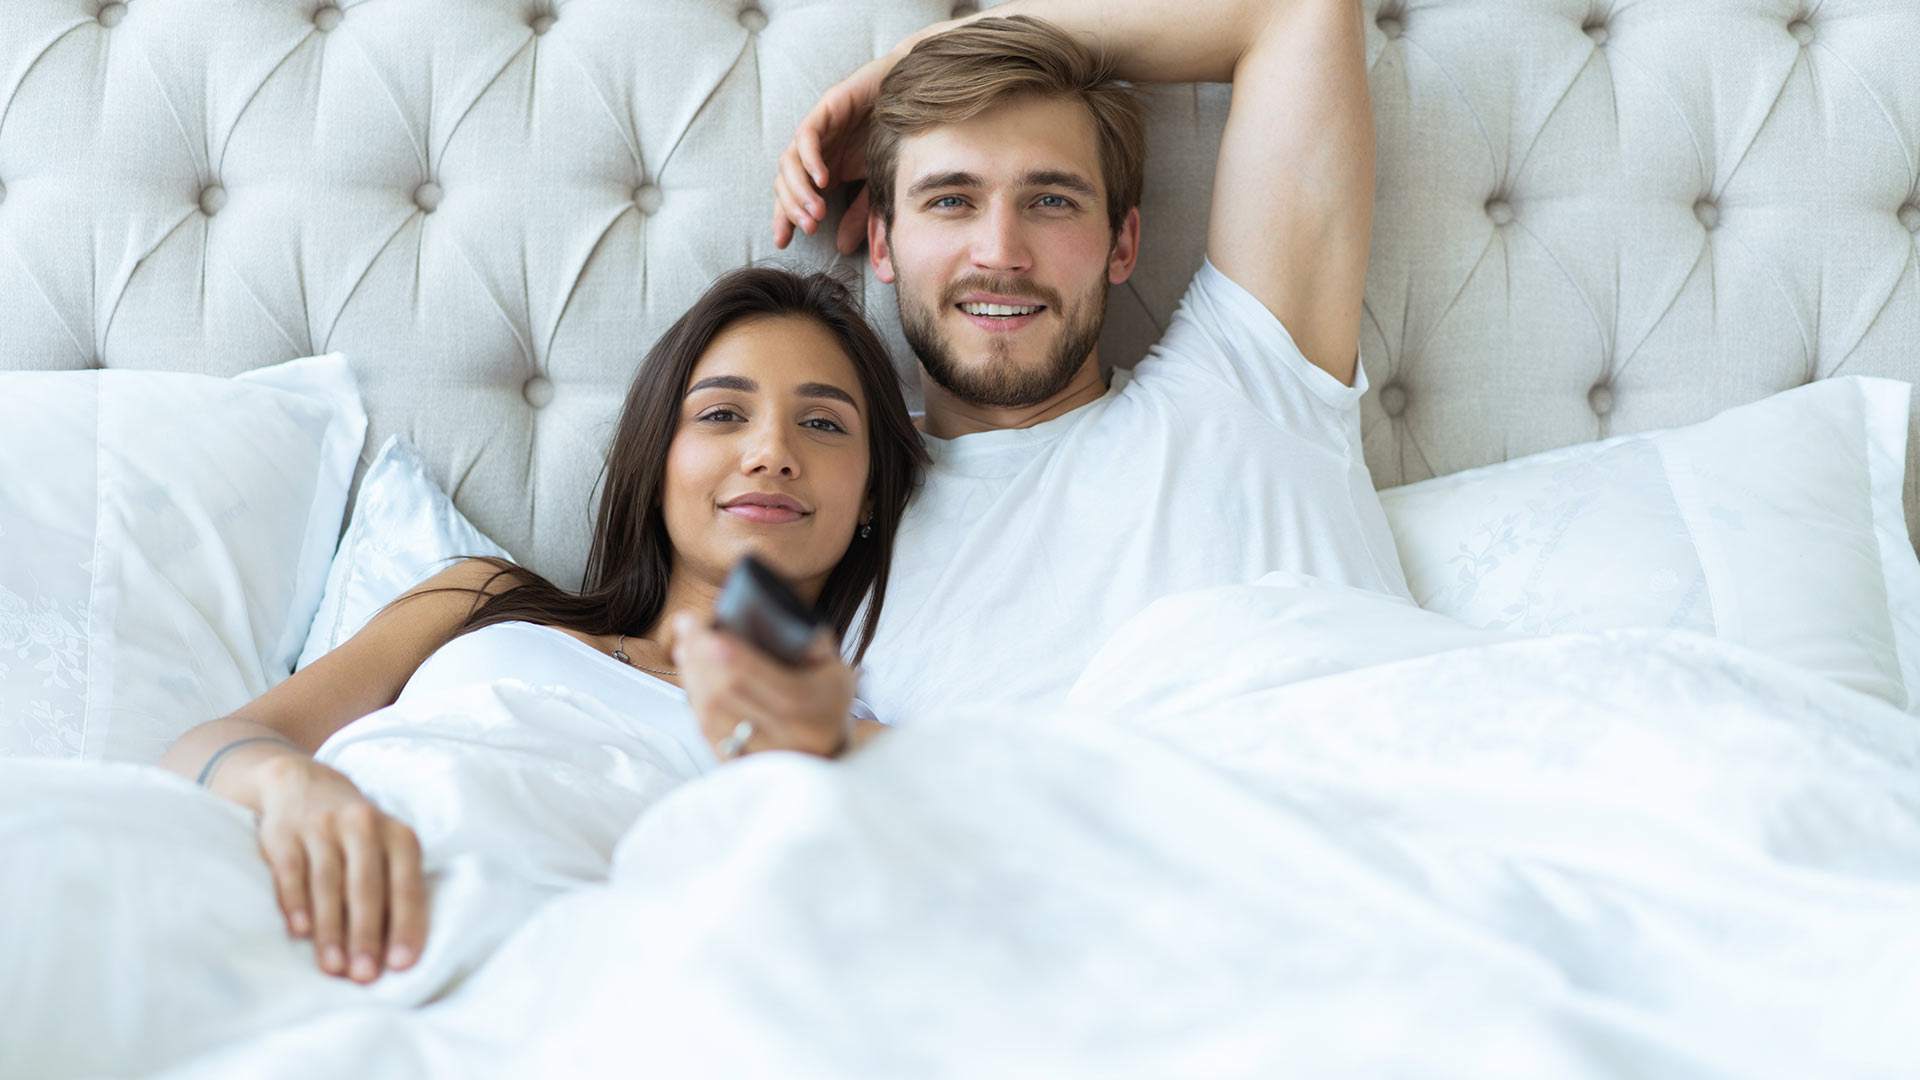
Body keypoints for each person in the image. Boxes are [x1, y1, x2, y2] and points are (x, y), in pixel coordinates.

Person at [156, 266, 929, 986]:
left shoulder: (850, 744)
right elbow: (202, 751)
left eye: (824, 424)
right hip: (297, 896)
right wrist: (297, 785)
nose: (771, 453)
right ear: (658, 463)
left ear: (870, 495)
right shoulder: (478, 598)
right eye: (723, 414)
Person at [768, 2, 1411, 725]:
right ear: (881, 244)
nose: (1001, 251)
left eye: (1050, 200)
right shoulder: (823, 521)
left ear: (1121, 244)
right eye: (951, 200)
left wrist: (930, 48)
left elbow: (1297, 12)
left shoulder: (1250, 386)